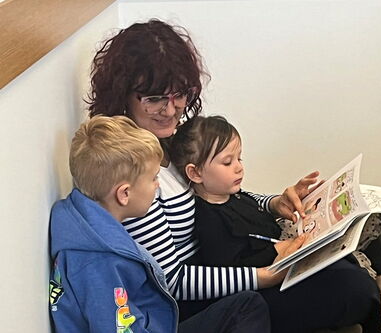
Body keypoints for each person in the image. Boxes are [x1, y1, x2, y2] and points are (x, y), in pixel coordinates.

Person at [86, 18, 381, 326]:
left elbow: (218, 198)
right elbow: (173, 280)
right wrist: (265, 276)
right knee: (351, 287)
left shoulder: (168, 140)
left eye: (179, 94)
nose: (171, 109)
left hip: (231, 262)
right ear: (124, 95)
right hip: (207, 299)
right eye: (154, 98)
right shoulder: (133, 169)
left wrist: (274, 203)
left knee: (342, 242)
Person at [48, 115, 272, 333]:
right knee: (248, 307)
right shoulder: (96, 262)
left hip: (158, 321)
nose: (157, 186)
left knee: (246, 304)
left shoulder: (95, 227)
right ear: (124, 194)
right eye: (153, 178)